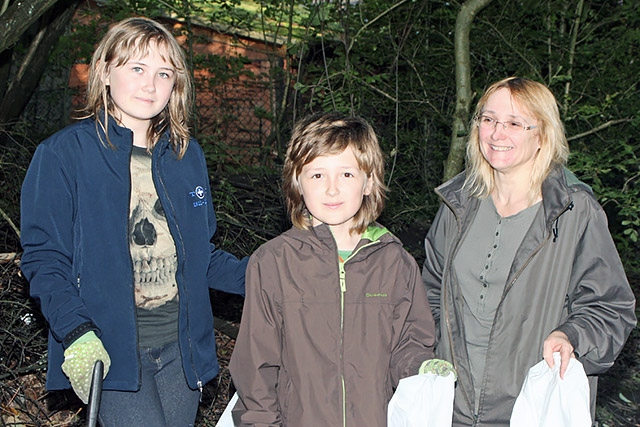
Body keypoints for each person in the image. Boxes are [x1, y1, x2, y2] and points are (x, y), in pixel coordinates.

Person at [20, 17, 247, 426]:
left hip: (182, 352)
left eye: (164, 73)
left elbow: (201, 257)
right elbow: (44, 260)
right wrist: (76, 332)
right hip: (110, 350)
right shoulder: (63, 156)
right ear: (105, 72)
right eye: (137, 68)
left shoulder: (185, 155)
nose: (150, 84)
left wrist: (282, 270)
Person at [422, 76, 637, 426]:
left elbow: (611, 308)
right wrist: (432, 358)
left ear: (542, 135)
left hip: (531, 409)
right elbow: (430, 290)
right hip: (451, 407)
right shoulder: (458, 204)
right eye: (488, 119)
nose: (496, 133)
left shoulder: (572, 211)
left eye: (514, 123)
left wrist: (572, 336)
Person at [228, 112, 438, 426]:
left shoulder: (395, 263)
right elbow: (256, 367)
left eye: (347, 175)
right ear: (297, 183)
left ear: (368, 182)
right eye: (317, 175)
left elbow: (410, 343)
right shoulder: (273, 262)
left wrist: (424, 368)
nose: (332, 189)